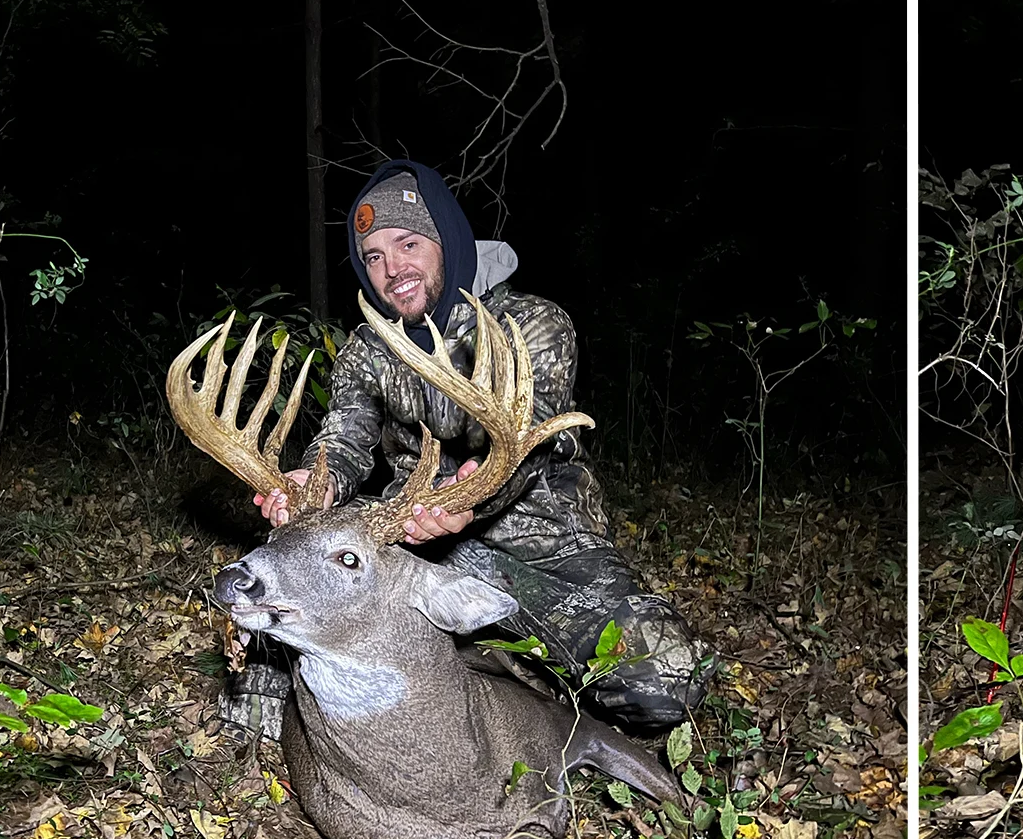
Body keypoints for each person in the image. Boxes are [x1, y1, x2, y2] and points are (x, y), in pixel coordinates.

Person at [230, 159, 712, 734]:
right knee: (306, 536)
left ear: (447, 238)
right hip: (421, 546)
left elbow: (531, 436)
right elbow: (345, 437)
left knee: (664, 683)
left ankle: (526, 688)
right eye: (374, 257)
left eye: (408, 243)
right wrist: (316, 479)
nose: (393, 270)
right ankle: (259, 708)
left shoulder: (532, 323)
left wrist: (472, 497)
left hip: (547, 547)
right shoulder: (369, 347)